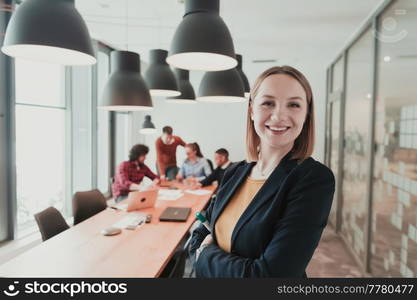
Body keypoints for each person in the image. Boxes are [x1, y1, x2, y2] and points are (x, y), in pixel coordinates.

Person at [189, 66, 335, 278]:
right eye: (268, 103)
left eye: (294, 104)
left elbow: (270, 276)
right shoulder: (234, 173)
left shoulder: (312, 179)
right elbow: (199, 233)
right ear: (251, 110)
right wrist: (203, 250)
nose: (278, 115)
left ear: (306, 114)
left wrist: (204, 255)